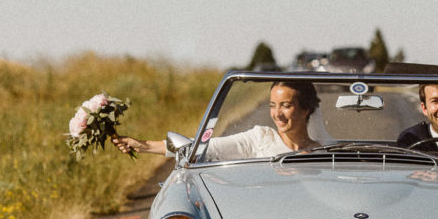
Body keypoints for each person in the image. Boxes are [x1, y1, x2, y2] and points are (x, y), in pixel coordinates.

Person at [112, 81, 323, 160]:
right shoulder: (260, 138)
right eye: (272, 105)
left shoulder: (323, 154)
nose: (277, 114)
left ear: (306, 109)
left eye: (286, 106)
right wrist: (144, 145)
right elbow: (207, 148)